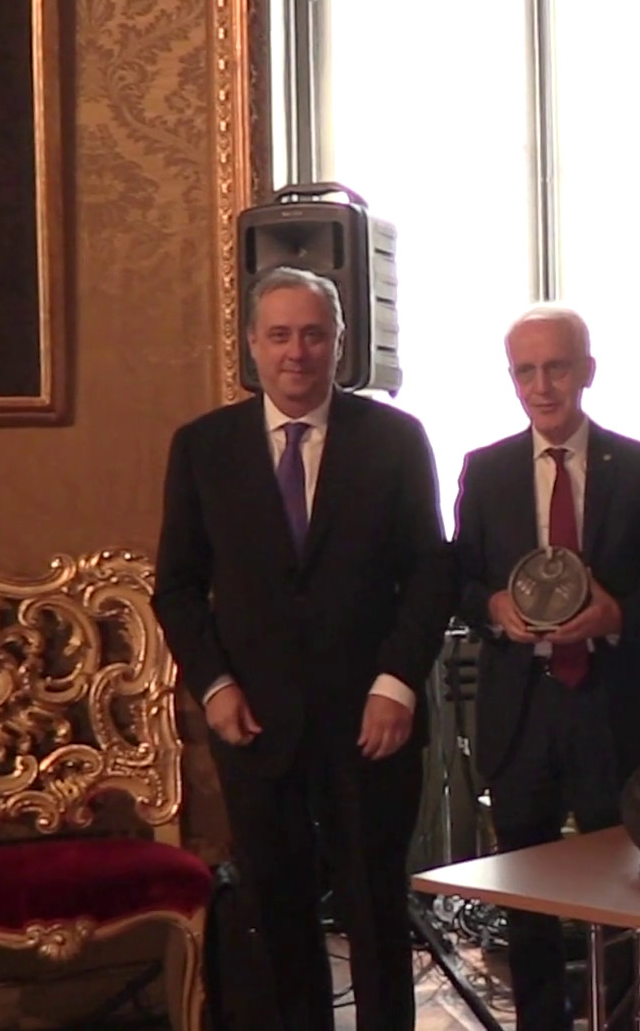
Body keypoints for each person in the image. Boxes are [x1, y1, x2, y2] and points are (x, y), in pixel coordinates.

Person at [152, 266, 454, 1031]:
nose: (298, 352)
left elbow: (430, 573)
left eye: (314, 335)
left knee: (375, 909)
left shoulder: (395, 439)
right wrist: (215, 686)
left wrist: (396, 683)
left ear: (339, 344)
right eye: (281, 335)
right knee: (277, 912)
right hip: (255, 723)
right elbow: (177, 588)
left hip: (371, 721)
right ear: (253, 344)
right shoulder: (202, 447)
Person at [451, 305, 640, 1030]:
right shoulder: (485, 470)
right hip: (521, 706)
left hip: (611, 704)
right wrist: (493, 605)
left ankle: (623, 1016)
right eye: (526, 371)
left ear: (587, 371)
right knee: (528, 891)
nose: (542, 386)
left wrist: (617, 617)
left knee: (624, 883)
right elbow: (456, 579)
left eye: (556, 368)